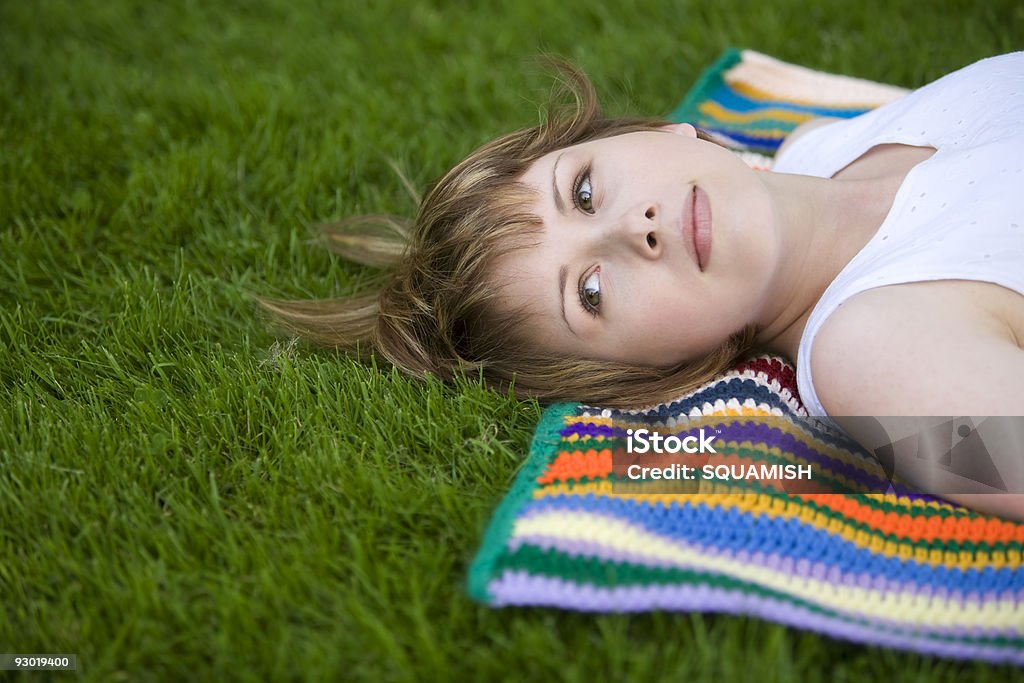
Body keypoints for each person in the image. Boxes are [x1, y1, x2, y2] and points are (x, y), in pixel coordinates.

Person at [258, 52, 1024, 518]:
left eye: (584, 191)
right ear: (652, 373)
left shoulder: (822, 143)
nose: (634, 229)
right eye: (589, 292)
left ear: (655, 131)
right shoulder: (874, 356)